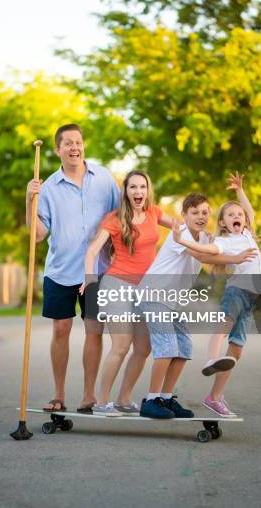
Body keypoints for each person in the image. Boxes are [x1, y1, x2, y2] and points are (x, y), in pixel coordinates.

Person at [172, 172, 261, 417]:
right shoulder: (226, 241)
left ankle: (214, 397)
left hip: (252, 300)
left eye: (239, 214)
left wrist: (240, 191)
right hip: (237, 293)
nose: (238, 217)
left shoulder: (248, 236)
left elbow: (254, 261)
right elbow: (207, 249)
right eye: (231, 215)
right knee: (223, 327)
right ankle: (210, 359)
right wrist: (184, 241)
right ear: (223, 223)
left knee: (236, 349)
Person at [26, 123, 120, 413]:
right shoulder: (48, 187)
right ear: (57, 150)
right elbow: (38, 234)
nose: (74, 147)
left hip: (98, 271)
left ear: (83, 146)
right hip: (61, 270)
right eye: (68, 143)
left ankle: (89, 395)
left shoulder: (104, 178)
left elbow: (120, 219)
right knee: (61, 329)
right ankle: (58, 394)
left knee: (94, 331)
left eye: (78, 142)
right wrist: (29, 200)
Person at [138, 193, 258, 419]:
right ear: (184, 215)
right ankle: (151, 400)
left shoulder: (205, 238)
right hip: (153, 295)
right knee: (167, 346)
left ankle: (165, 397)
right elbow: (201, 257)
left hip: (171, 301)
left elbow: (213, 250)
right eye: (195, 213)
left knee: (183, 348)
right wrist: (235, 258)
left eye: (205, 212)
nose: (201, 217)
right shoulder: (180, 234)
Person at [80, 170, 175, 416]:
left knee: (144, 348)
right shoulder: (114, 219)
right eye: (133, 187)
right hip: (117, 285)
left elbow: (183, 228)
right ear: (126, 192)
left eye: (142, 187)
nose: (138, 192)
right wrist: (90, 281)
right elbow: (92, 251)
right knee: (121, 346)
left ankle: (123, 399)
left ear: (148, 190)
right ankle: (102, 402)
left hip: (146, 290)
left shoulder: (154, 213)